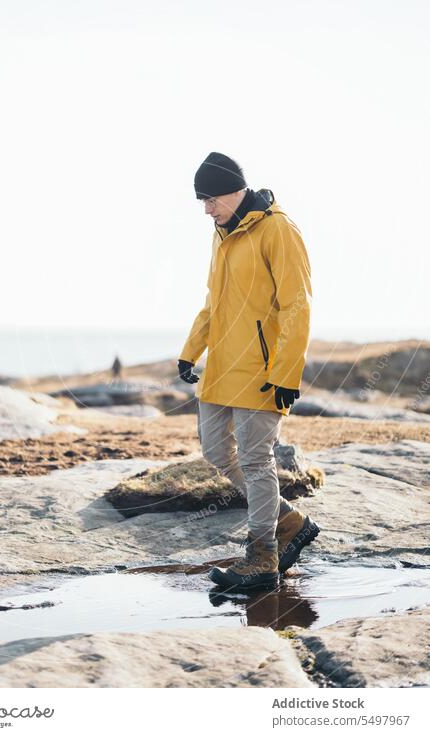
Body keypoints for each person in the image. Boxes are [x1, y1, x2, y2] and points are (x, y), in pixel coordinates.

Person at [177, 151, 320, 592]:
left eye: (210, 199)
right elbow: (213, 302)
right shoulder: (221, 233)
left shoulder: (278, 229)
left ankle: (262, 556)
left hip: (262, 371)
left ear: (234, 190)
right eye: (201, 201)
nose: (206, 209)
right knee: (217, 453)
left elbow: (297, 304)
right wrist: (191, 351)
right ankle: (290, 522)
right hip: (221, 367)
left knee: (257, 461)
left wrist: (286, 374)